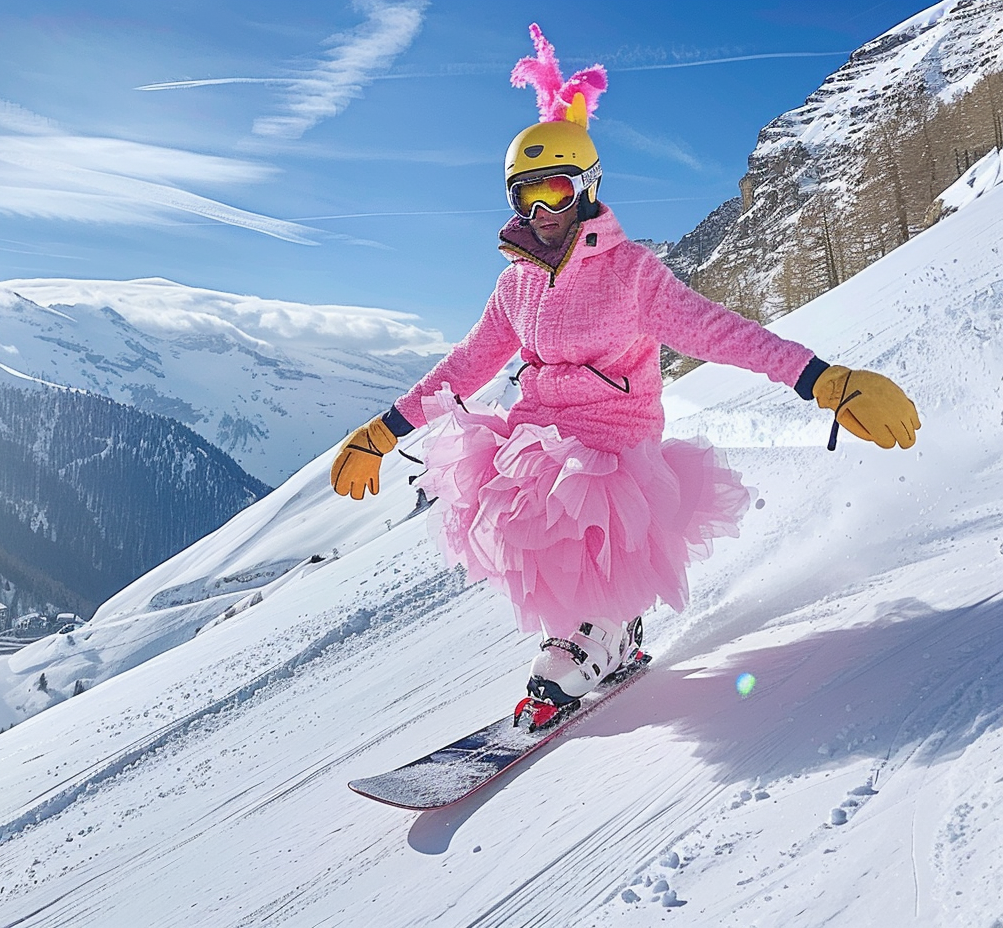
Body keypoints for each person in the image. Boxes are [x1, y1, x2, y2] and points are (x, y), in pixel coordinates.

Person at [330, 24, 919, 728]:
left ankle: (602, 632)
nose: (544, 212)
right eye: (527, 197)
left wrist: (823, 379)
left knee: (586, 510)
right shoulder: (514, 286)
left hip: (613, 445)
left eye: (558, 190)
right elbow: (465, 367)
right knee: (514, 501)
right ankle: (593, 626)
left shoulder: (631, 275)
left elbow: (720, 331)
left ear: (588, 188)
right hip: (539, 438)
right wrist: (382, 430)